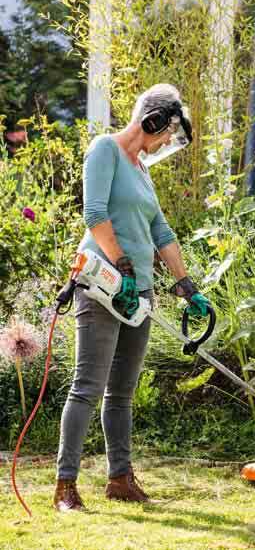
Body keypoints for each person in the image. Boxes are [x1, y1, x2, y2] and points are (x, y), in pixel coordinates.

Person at [53, 83, 211, 511]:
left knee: (121, 393)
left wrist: (185, 284)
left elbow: (161, 232)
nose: (163, 144)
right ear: (153, 120)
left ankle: (119, 478)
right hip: (103, 283)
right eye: (165, 134)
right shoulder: (104, 149)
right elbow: (95, 214)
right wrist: (121, 265)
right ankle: (65, 486)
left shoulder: (142, 171)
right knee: (88, 386)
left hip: (138, 291)